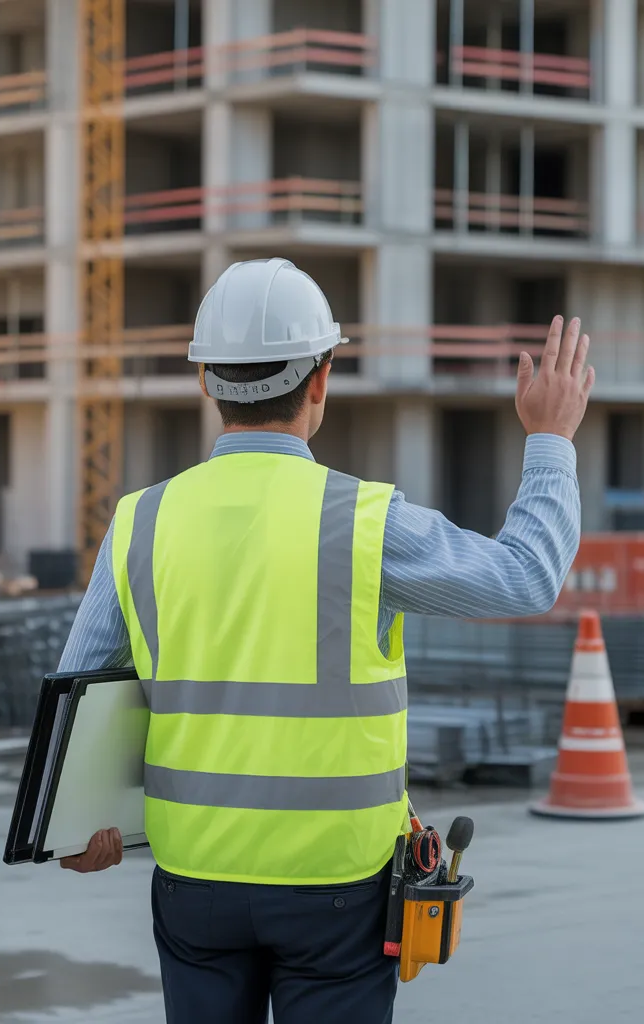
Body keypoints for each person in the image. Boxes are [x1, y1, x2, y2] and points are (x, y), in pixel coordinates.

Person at [55, 259, 595, 1024]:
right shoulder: (365, 522)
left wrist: (73, 831)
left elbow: (76, 686)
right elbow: (526, 578)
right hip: (336, 889)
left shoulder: (141, 520)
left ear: (205, 382)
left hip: (192, 882)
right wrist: (550, 440)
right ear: (321, 380)